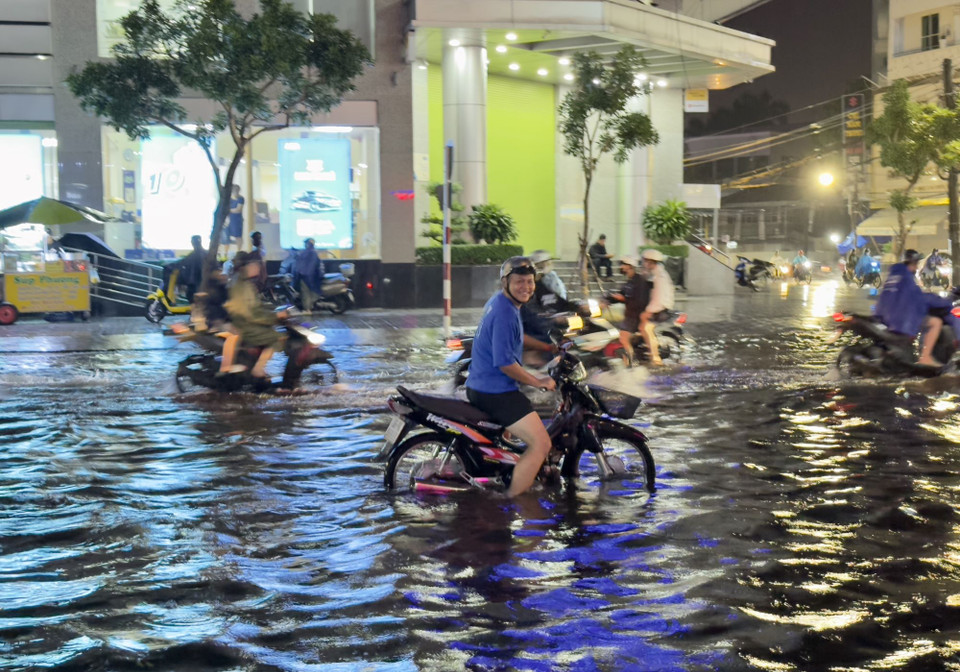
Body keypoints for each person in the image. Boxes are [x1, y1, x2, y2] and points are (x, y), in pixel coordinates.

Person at [465, 256, 557, 498]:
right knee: (542, 443)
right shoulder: (506, 312)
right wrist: (538, 382)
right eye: (519, 281)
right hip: (495, 392)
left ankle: (504, 474)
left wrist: (544, 352)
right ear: (505, 282)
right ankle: (512, 501)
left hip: (482, 385)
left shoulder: (502, 303)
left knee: (510, 439)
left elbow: (514, 341)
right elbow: (505, 363)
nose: (525, 287)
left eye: (529, 281)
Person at [875, 249, 953, 367]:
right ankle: (925, 357)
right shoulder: (907, 279)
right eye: (915, 264)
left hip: (884, 317)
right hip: (900, 319)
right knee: (936, 322)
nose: (916, 268)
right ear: (912, 263)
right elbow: (920, 298)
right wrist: (944, 302)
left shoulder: (893, 276)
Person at [224, 252, 286, 378]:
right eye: (256, 265)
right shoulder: (241, 286)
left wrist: (274, 312)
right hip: (245, 325)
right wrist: (274, 317)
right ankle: (258, 369)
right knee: (278, 337)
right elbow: (251, 314)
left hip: (245, 321)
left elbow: (256, 306)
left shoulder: (243, 282)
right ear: (246, 267)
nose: (258, 268)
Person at [602, 254, 651, 366]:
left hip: (636, 315)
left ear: (630, 266)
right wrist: (608, 299)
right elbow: (622, 295)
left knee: (623, 337)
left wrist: (625, 299)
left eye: (623, 264)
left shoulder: (639, 281)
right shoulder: (629, 282)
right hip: (630, 315)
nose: (621, 267)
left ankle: (631, 361)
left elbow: (640, 300)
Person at [640, 249, 675, 366]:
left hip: (661, 308)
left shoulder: (659, 277)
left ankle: (655, 358)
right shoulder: (655, 273)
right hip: (659, 306)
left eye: (646, 261)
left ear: (651, 262)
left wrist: (648, 311)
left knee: (645, 328)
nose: (644, 263)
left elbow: (658, 298)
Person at [294, 238, 325, 313]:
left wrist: (301, 274)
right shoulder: (313, 253)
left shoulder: (307, 253)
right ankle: (309, 307)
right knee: (310, 293)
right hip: (312, 277)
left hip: (306, 277)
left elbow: (303, 266)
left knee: (306, 293)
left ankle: (307, 309)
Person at [179, 235, 206, 303]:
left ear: (192, 243)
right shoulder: (207, 253)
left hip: (194, 286)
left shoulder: (191, 256)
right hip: (206, 284)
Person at [225, 185, 244, 254]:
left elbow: (238, 209)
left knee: (238, 236)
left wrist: (229, 210)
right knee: (226, 237)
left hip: (237, 220)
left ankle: (239, 251)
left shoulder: (241, 198)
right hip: (229, 219)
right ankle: (226, 252)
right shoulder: (229, 199)